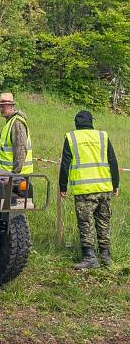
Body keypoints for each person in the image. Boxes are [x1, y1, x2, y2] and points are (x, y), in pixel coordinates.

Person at [59, 110, 120, 269]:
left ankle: (90, 257)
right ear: (91, 122)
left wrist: (62, 186)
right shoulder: (102, 136)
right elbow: (113, 161)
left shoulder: (72, 138)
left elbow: (65, 164)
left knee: (85, 223)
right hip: (104, 188)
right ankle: (106, 256)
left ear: (76, 123)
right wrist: (116, 184)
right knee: (103, 221)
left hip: (84, 189)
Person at [0, 93, 33, 175]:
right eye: (0, 106)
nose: (1, 109)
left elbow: (20, 149)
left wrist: (15, 174)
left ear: (11, 106)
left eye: (3, 106)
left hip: (16, 176)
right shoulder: (10, 121)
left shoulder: (16, 122)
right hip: (7, 173)